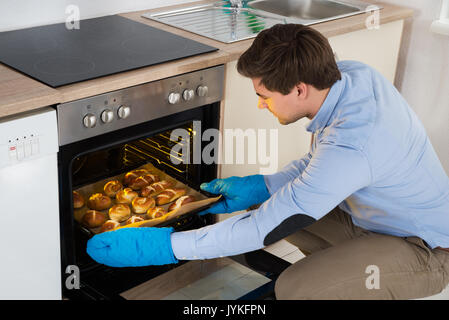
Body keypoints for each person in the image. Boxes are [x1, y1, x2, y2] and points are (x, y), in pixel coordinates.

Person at [87, 24, 449, 300]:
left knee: (296, 287)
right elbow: (317, 164)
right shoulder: (350, 76)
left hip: (425, 248)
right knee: (269, 201)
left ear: (299, 89)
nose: (261, 104)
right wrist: (262, 186)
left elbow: (262, 229)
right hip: (370, 219)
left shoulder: (354, 143)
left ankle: (358, 280)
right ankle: (348, 273)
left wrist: (163, 247)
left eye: (263, 95)